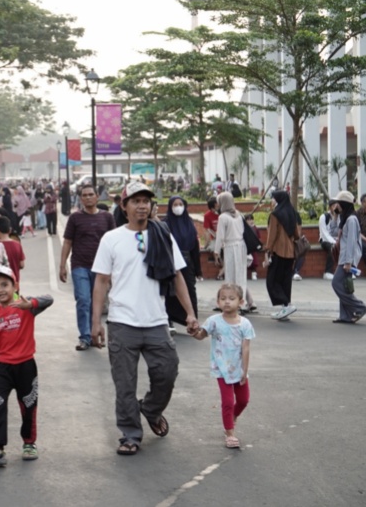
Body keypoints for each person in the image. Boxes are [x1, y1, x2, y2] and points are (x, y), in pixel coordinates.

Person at [90, 182, 199, 456]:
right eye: (135, 201)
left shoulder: (163, 235)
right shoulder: (111, 239)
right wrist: (95, 322)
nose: (141, 205)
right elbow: (101, 281)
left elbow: (177, 276)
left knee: (167, 371)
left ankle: (150, 408)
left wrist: (190, 313)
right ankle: (130, 434)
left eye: (146, 201)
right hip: (122, 322)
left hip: (156, 322)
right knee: (124, 383)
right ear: (124, 206)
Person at [0, 266, 53, 466]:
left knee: (28, 405)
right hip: (2, 368)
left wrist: (31, 304)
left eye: (5, 285)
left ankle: (29, 443)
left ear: (15, 285)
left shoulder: (26, 306)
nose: (0, 290)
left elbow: (49, 299)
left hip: (26, 365)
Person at [189, 283, 254, 449]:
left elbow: (246, 348)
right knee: (227, 401)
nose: (227, 302)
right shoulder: (213, 321)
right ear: (218, 302)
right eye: (223, 298)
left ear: (241, 302)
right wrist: (194, 332)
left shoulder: (245, 324)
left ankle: (232, 417)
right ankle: (230, 433)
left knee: (243, 400)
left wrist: (244, 371)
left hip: (239, 369)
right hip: (221, 370)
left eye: (231, 299)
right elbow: (201, 335)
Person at [59, 184, 115, 351]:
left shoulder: (107, 217)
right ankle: (84, 337)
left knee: (96, 302)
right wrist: (62, 265)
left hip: (101, 268)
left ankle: (94, 333)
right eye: (85, 195)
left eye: (91, 194)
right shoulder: (75, 218)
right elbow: (68, 242)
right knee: (83, 300)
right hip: (79, 265)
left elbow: (115, 243)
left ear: (97, 196)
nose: (88, 197)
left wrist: (115, 268)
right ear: (81, 198)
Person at [213, 192, 256, 313]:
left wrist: (216, 252)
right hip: (241, 247)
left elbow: (220, 236)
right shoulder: (239, 215)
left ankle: (232, 303)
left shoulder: (223, 217)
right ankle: (242, 303)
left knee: (231, 277)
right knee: (241, 276)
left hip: (230, 247)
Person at [331, 191, 366, 323]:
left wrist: (348, 262)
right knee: (344, 286)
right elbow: (334, 232)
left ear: (344, 204)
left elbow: (352, 241)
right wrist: (335, 216)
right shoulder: (345, 218)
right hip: (344, 256)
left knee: (336, 283)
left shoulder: (352, 220)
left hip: (348, 258)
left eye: (338, 203)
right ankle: (345, 315)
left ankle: (360, 307)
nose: (336, 205)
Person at [164, 196, 202, 326]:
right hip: (171, 263)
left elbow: (195, 246)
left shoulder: (189, 222)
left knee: (190, 291)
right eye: (175, 204)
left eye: (181, 204)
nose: (178, 207)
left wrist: (198, 269)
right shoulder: (165, 224)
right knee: (171, 292)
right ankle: (169, 319)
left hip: (188, 262)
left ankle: (192, 319)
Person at [263, 191, 300, 320]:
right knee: (285, 281)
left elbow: (272, 235)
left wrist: (268, 249)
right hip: (290, 253)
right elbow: (297, 235)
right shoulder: (292, 212)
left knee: (272, 281)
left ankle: (287, 305)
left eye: (273, 198)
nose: (272, 200)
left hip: (278, 251)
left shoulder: (275, 214)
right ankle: (285, 307)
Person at [0, 216, 25, 286]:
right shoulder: (17, 244)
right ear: (9, 230)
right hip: (14, 283)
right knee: (15, 297)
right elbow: (22, 265)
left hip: (0, 285)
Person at [203, 197, 224, 280]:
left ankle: (221, 272)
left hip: (226, 238)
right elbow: (208, 229)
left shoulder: (223, 214)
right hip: (215, 238)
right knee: (214, 249)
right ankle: (222, 269)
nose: (218, 206)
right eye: (216, 205)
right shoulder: (207, 215)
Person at [319, 200, 341, 280]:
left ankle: (348, 271)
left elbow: (340, 230)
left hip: (337, 239)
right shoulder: (324, 217)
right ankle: (327, 272)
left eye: (337, 206)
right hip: (325, 240)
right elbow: (324, 233)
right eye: (334, 206)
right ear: (330, 207)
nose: (336, 208)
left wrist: (336, 217)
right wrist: (335, 242)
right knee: (332, 248)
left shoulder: (339, 216)